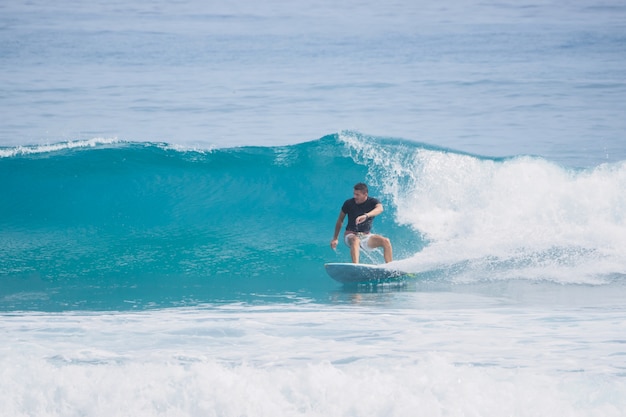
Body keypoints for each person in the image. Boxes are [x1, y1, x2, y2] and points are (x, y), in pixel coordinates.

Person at [330, 182, 393, 263]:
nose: (354, 197)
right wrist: (335, 238)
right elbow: (340, 220)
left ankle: (390, 267)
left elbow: (380, 209)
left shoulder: (373, 202)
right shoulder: (348, 203)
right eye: (354, 194)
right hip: (351, 235)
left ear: (365, 194)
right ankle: (355, 267)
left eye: (357, 195)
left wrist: (366, 216)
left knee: (386, 241)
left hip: (365, 236)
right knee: (355, 239)